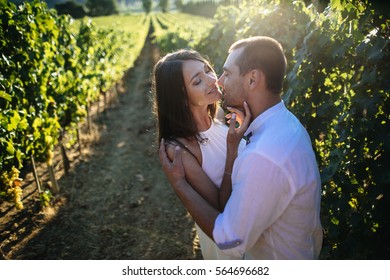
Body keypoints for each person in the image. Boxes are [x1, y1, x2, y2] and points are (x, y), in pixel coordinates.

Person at [159, 36, 323, 259]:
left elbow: (230, 239)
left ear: (253, 79)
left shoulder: (263, 155)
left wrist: (179, 185)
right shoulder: (286, 124)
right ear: (181, 98)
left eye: (224, 73)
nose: (217, 81)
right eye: (197, 81)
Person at [151, 49, 248, 259]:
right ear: (182, 98)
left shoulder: (220, 115)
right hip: (230, 248)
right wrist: (232, 150)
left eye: (207, 70)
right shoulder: (180, 150)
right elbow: (221, 209)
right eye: (197, 81)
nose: (212, 80)